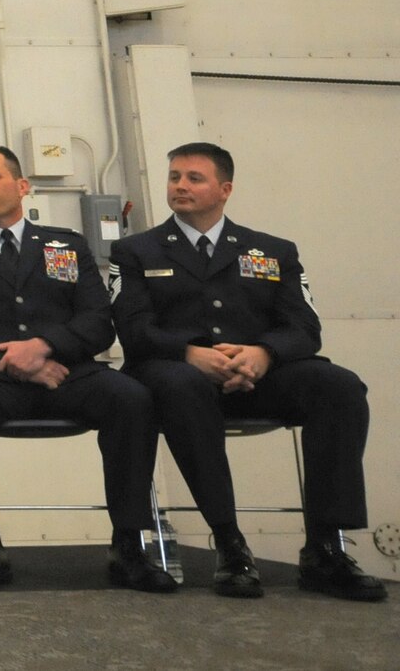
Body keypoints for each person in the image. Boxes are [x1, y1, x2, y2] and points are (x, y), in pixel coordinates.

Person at [110, 142, 386, 602]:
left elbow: (304, 327)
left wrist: (264, 353)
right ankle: (230, 542)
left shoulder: (273, 251)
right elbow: (132, 328)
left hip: (258, 376)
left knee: (338, 386)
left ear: (225, 189)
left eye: (194, 178)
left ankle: (325, 547)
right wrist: (191, 354)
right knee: (180, 385)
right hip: (175, 376)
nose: (180, 185)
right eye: (175, 176)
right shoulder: (136, 250)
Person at [0, 145, 173, 594]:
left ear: (22, 186)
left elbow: (98, 321)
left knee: (131, 397)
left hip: (68, 372)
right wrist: (16, 361)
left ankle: (128, 542)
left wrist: (43, 347)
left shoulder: (67, 246)